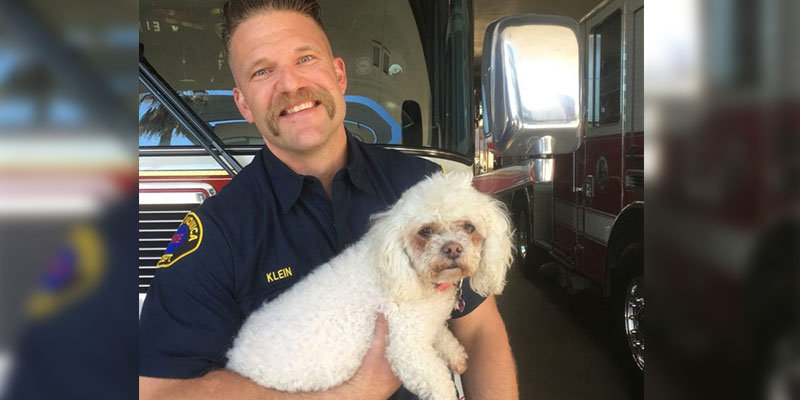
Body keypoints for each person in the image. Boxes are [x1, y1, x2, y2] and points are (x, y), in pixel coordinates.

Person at [138, 1, 519, 399]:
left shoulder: (422, 185)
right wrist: (355, 393)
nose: (290, 84)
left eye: (305, 58)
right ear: (244, 103)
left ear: (339, 74)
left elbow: (478, 330)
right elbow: (158, 392)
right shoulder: (217, 232)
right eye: (262, 71)